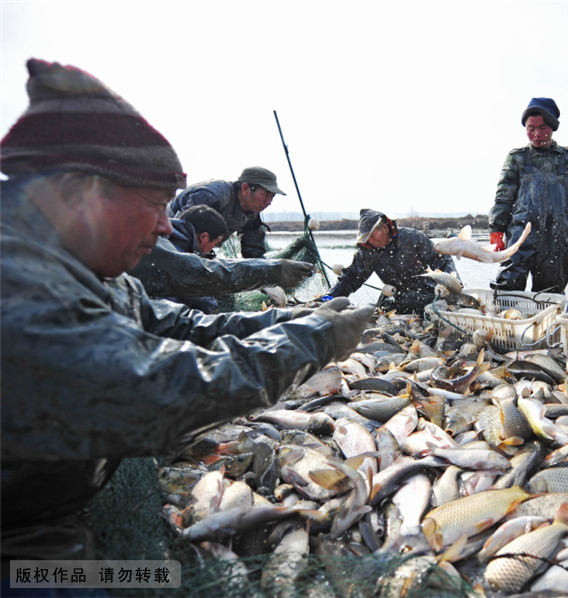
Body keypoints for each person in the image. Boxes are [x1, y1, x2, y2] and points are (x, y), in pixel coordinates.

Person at [0, 58, 374, 563]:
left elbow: (171, 321)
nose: (163, 227)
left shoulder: (76, 264)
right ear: (79, 192)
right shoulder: (17, 281)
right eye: (155, 204)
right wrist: (313, 342)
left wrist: (283, 320)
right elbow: (156, 390)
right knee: (149, 579)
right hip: (18, 545)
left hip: (39, 516)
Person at [488, 97, 568, 293]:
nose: (536, 134)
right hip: (519, 238)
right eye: (530, 128)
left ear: (552, 127)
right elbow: (503, 197)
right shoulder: (516, 158)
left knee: (550, 295)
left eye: (542, 127)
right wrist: (496, 232)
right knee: (507, 290)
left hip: (557, 239)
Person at [326, 209, 460, 315]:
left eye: (372, 236)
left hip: (426, 293)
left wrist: (453, 283)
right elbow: (351, 278)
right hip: (397, 297)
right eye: (366, 238)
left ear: (385, 228)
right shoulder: (368, 252)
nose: (370, 241)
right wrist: (330, 297)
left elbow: (442, 259)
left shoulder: (412, 238)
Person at [168, 165, 285, 258]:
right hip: (164, 235)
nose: (269, 202)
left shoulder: (252, 213)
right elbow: (181, 234)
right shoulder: (212, 196)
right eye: (266, 195)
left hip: (198, 248)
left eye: (272, 197)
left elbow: (254, 252)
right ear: (245, 189)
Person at [156, 205, 229, 313]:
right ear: (204, 237)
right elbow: (206, 308)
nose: (212, 249)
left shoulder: (164, 242)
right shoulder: (186, 261)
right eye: (215, 244)